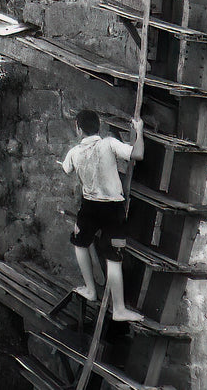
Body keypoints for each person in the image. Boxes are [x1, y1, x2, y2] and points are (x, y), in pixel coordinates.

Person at [61, 109, 145, 321]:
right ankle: (118, 309)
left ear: (78, 129)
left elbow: (66, 169)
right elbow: (138, 154)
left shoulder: (74, 152)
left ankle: (90, 289)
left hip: (89, 206)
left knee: (80, 242)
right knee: (113, 258)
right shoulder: (109, 143)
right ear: (99, 126)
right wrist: (139, 131)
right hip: (113, 207)